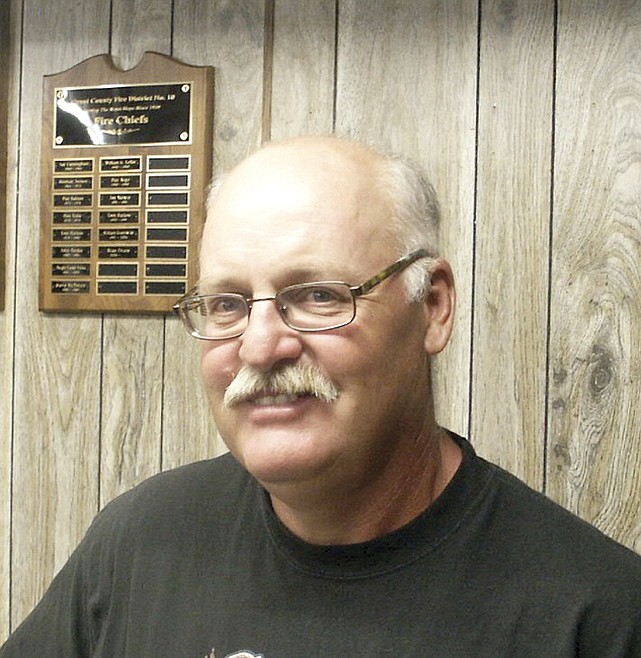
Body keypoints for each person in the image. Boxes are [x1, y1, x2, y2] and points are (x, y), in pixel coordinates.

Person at [2, 135, 641, 657]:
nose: (259, 347)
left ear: (433, 307)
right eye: (226, 304)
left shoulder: (595, 617)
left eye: (318, 296)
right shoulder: (140, 543)